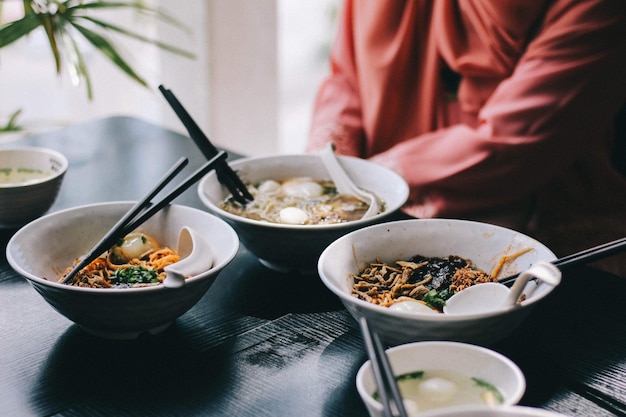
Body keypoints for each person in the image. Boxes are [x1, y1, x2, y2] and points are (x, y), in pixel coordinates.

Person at [307, 0, 626, 275]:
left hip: (547, 240)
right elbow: (348, 78)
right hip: (377, 228)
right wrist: (327, 168)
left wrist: (374, 182)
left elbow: (522, 138)